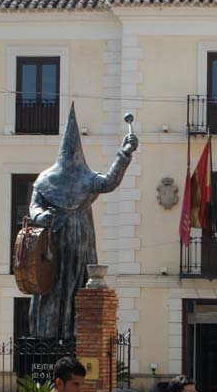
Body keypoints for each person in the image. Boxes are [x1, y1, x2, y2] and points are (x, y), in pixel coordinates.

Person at [27, 103, 138, 340]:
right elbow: (34, 206)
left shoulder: (87, 177)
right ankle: (46, 334)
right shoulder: (46, 179)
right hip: (53, 247)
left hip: (82, 246)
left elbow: (109, 182)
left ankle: (74, 333)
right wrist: (41, 217)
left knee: (79, 287)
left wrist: (125, 154)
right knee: (52, 289)